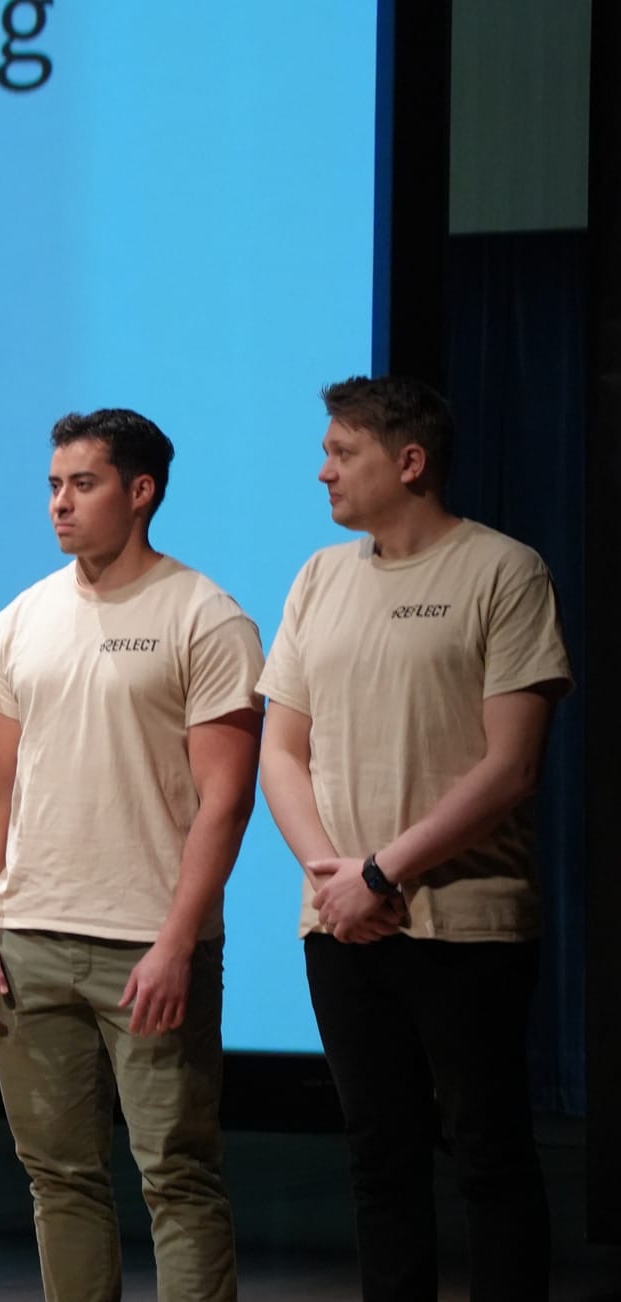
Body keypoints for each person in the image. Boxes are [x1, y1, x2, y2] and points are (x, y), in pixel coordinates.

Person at [257, 375, 570, 1301]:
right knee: (378, 1157)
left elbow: (512, 766)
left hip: (465, 924)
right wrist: (333, 878)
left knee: (488, 1153)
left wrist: (381, 872)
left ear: (410, 462)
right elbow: (281, 749)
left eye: (340, 452)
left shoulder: (503, 571)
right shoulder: (319, 576)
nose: (322, 472)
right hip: (342, 924)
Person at [0, 408, 262, 1302]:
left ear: (141, 492)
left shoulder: (205, 616)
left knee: (176, 1174)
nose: (59, 502)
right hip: (29, 941)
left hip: (148, 946)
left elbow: (226, 800)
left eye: (82, 484)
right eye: (54, 485)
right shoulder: (24, 616)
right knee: (59, 1178)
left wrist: (177, 943)